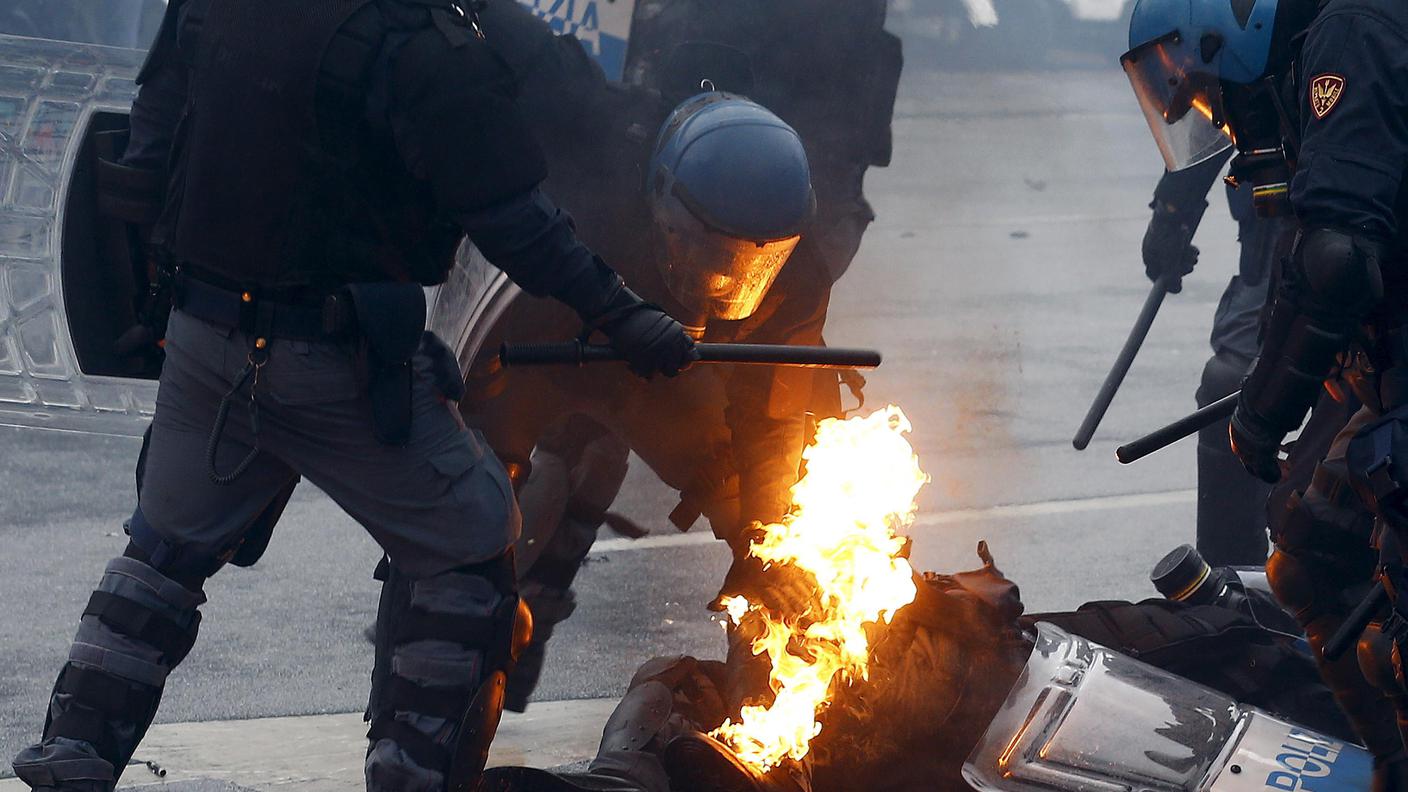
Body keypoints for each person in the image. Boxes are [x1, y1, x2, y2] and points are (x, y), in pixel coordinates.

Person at [9, 1, 697, 791]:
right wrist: (625, 314)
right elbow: (518, 225)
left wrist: (164, 303)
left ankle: (74, 750)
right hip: (332, 360)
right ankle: (414, 776)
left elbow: (145, 153)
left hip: (204, 341)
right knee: (471, 542)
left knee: (164, 551)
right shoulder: (421, 42)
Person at [439, 0, 901, 711]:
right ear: (664, 205)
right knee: (480, 518)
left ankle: (773, 701)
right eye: (711, 252)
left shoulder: (796, 263)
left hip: (662, 363)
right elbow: (511, 40)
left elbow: (772, 417)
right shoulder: (586, 152)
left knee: (768, 517)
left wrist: (767, 536)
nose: (731, 278)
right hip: (552, 329)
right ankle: (446, 673)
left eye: (754, 261)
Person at [1123, 0, 1408, 784]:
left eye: (1208, 94)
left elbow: (1337, 258)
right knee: (1309, 552)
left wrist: (1264, 410)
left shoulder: (1357, 33)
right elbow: (1310, 253)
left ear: (1232, 39)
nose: (1218, 118)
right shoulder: (1319, 47)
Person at [1140, 151, 1296, 566]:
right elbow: (1217, 105)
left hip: (1368, 239)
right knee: (1228, 384)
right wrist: (1173, 209)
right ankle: (1233, 589)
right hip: (1272, 247)